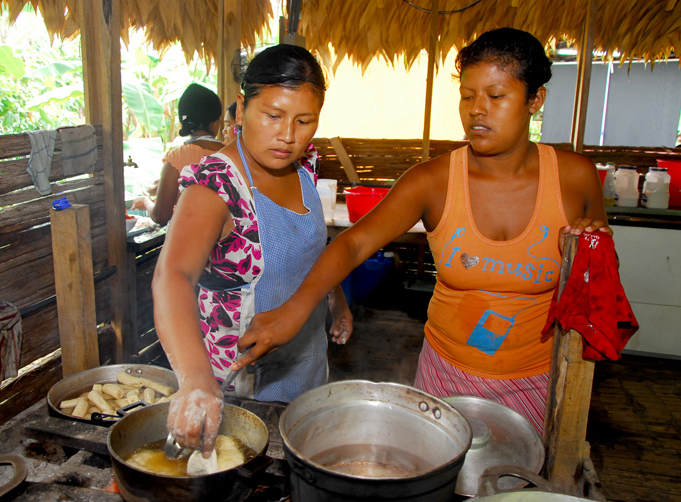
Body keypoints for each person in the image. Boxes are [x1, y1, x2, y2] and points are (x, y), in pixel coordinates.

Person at [234, 28, 611, 435]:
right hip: (445, 378)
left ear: (535, 99)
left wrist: (593, 241)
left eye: (496, 96)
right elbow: (354, 242)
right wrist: (296, 310)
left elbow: (600, 280)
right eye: (467, 96)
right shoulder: (432, 181)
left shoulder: (575, 179)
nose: (477, 110)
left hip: (536, 380)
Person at [153, 44, 353, 456]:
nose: (288, 135)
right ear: (241, 109)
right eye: (273, 115)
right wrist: (194, 380)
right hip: (242, 390)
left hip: (307, 363)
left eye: (304, 121)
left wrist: (337, 300)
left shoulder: (304, 169)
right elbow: (172, 277)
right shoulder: (215, 188)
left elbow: (312, 250)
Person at [132, 83, 225, 225]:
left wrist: (146, 201)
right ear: (215, 122)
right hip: (231, 244)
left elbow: (161, 216)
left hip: (187, 243)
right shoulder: (232, 153)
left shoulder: (177, 158)